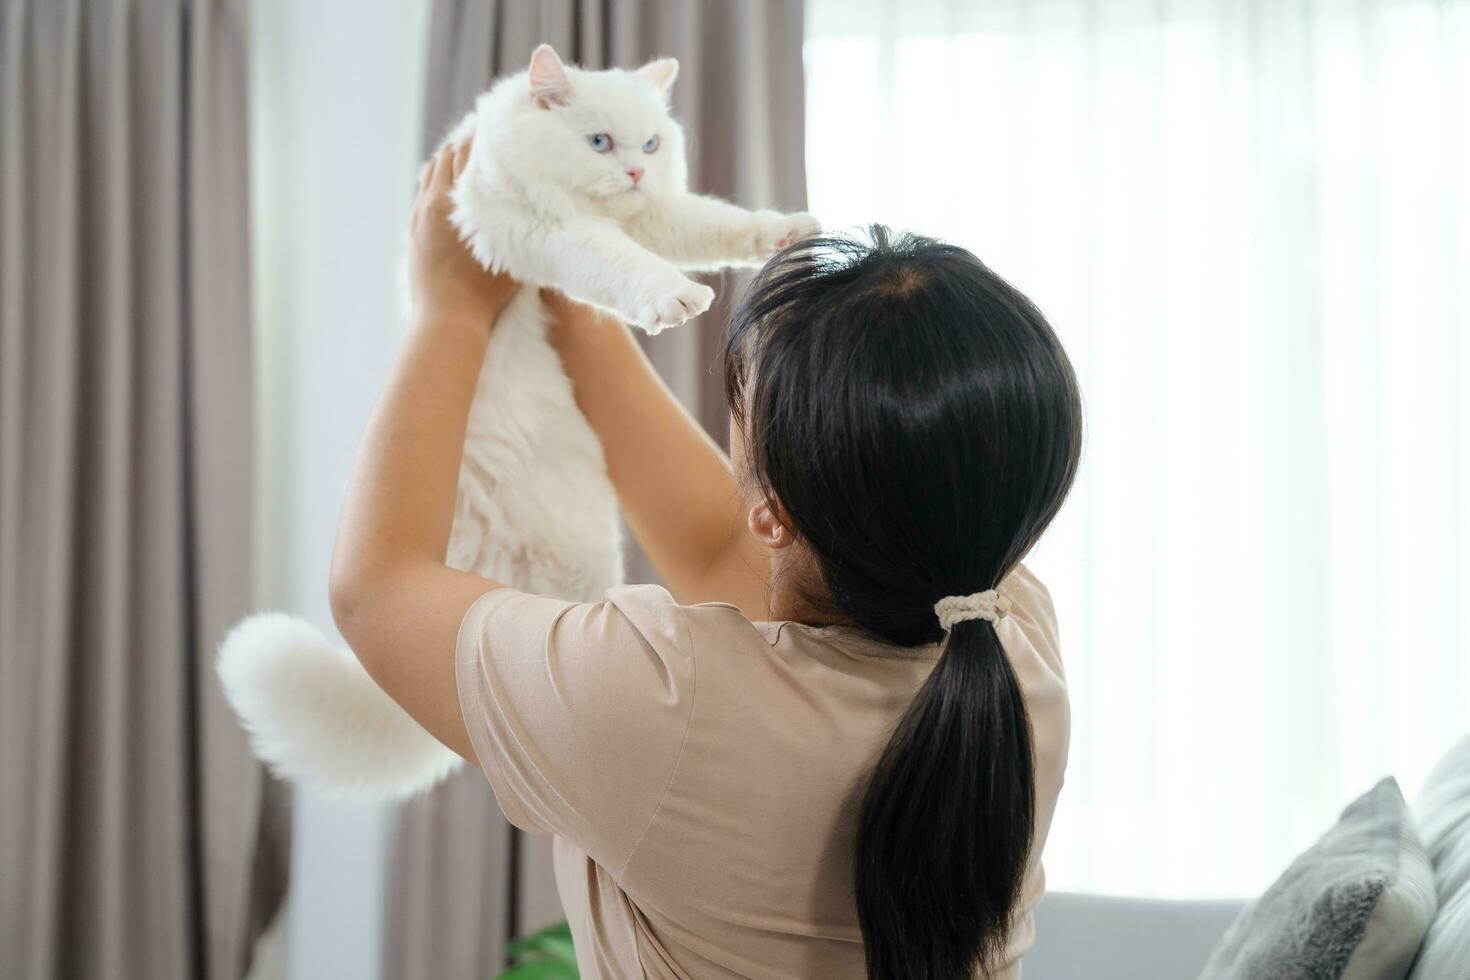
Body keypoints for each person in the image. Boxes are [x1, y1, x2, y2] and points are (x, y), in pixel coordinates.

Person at [329, 140, 1082, 978]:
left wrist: (451, 310)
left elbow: (378, 589)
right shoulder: (1015, 637)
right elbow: (726, 546)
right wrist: (564, 285)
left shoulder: (662, 698)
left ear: (777, 517)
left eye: (741, 402)